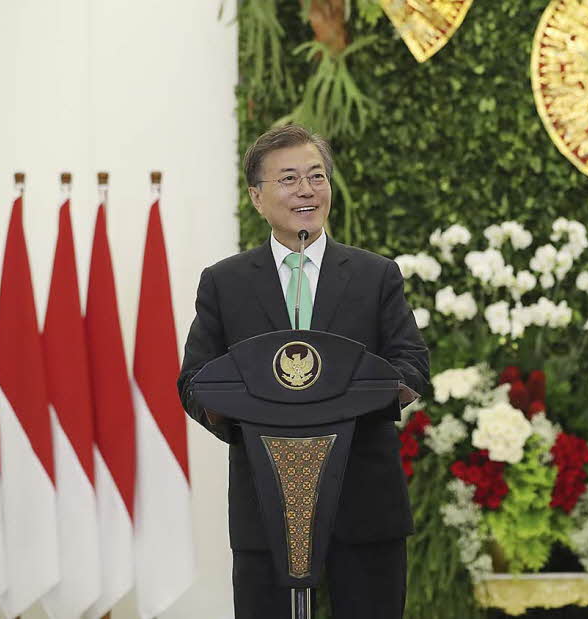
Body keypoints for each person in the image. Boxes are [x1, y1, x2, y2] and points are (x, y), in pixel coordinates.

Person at [177, 125, 429, 618]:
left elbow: (411, 365)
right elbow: (195, 381)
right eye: (289, 179)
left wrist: (364, 396)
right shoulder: (224, 283)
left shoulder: (376, 275)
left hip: (364, 502)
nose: (306, 190)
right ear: (257, 196)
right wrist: (244, 421)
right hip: (264, 502)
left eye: (317, 177)